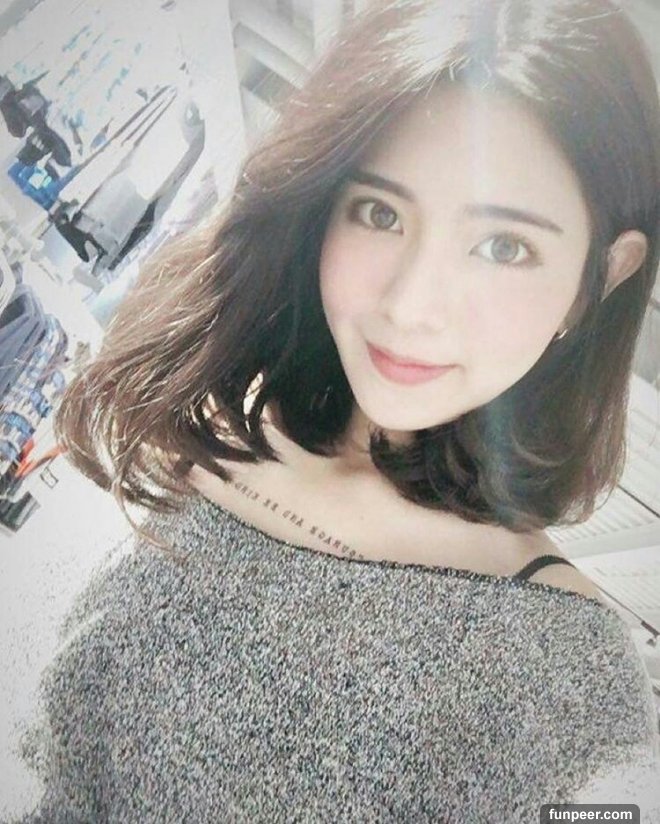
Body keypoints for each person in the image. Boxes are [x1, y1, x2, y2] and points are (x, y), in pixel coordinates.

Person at [16, 0, 660, 821]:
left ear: (598, 280)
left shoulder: (574, 685)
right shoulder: (200, 418)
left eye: (504, 247)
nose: (410, 304)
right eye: (381, 213)